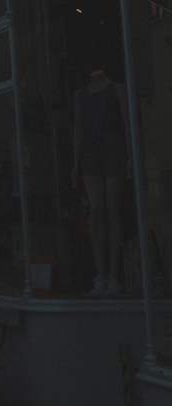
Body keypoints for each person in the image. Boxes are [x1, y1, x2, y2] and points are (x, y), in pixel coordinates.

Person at [73, 70, 130, 296]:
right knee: (96, 209)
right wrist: (75, 160)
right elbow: (78, 127)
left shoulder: (118, 89)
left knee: (112, 208)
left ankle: (113, 274)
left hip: (113, 150)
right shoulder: (79, 95)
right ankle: (102, 273)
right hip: (91, 152)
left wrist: (129, 155)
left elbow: (127, 124)